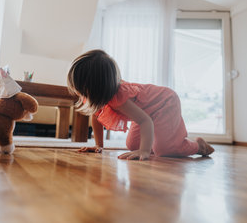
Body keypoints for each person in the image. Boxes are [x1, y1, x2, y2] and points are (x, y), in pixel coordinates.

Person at [67, 49, 215, 161]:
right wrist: (98, 146)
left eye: (80, 89)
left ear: (96, 88)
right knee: (133, 145)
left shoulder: (118, 98)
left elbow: (145, 121)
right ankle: (159, 143)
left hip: (165, 103)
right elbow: (97, 120)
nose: (79, 93)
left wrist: (144, 151)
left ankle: (198, 146)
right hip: (146, 112)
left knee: (165, 149)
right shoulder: (98, 98)